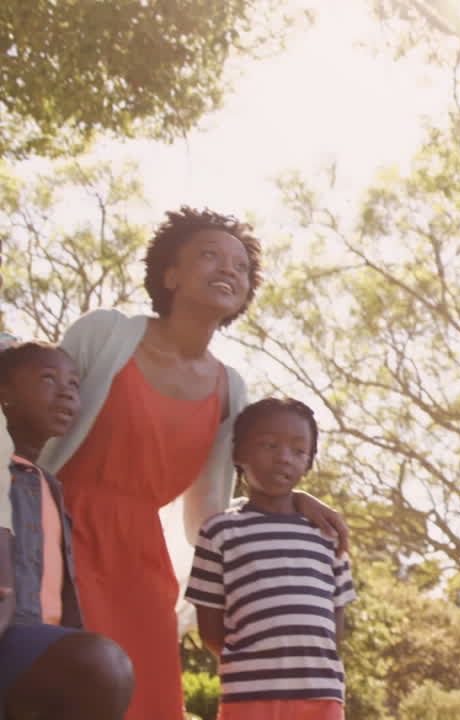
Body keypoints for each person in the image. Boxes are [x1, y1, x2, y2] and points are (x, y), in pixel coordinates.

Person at [37, 207, 350, 720]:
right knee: (69, 685)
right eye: (210, 255)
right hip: (58, 535)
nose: (229, 270)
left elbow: (209, 510)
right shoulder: (107, 335)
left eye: (241, 267)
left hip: (141, 564)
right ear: (170, 274)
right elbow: (34, 407)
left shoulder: (231, 388)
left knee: (145, 698)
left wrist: (295, 501)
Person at [187, 397, 356, 720]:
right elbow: (210, 629)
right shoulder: (219, 532)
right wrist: (253, 663)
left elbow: (336, 620)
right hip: (249, 696)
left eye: (298, 450)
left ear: (308, 463)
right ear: (239, 454)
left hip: (321, 695)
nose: (283, 458)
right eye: (269, 445)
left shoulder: (327, 535)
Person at [0, 340, 135, 719]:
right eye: (48, 379)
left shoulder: (49, 483)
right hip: (12, 635)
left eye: (74, 385)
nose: (66, 392)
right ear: (4, 393)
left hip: (42, 643)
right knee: (101, 664)